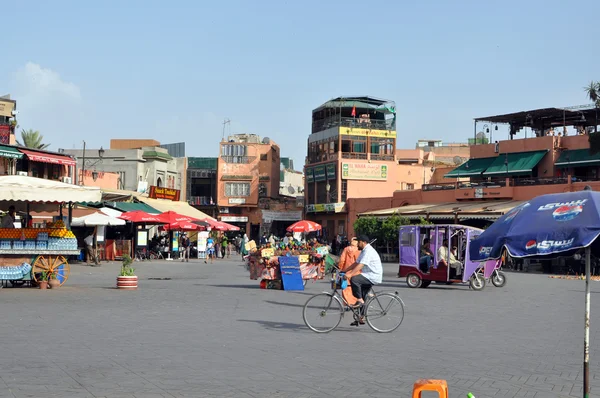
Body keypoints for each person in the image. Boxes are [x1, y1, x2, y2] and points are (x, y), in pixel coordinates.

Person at [343, 235, 383, 326]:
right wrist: (345, 270)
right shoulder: (363, 251)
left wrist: (350, 274)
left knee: (355, 279)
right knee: (363, 295)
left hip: (373, 275)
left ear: (364, 242)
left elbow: (360, 265)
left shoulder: (368, 251)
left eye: (359, 242)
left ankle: (360, 301)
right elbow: (356, 263)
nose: (357, 244)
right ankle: (361, 317)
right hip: (368, 274)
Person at [338, 237, 360, 306]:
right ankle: (355, 302)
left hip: (346, 271)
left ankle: (347, 303)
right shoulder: (358, 250)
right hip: (356, 271)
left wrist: (341, 268)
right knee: (355, 287)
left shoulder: (346, 249)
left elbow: (342, 260)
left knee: (346, 287)